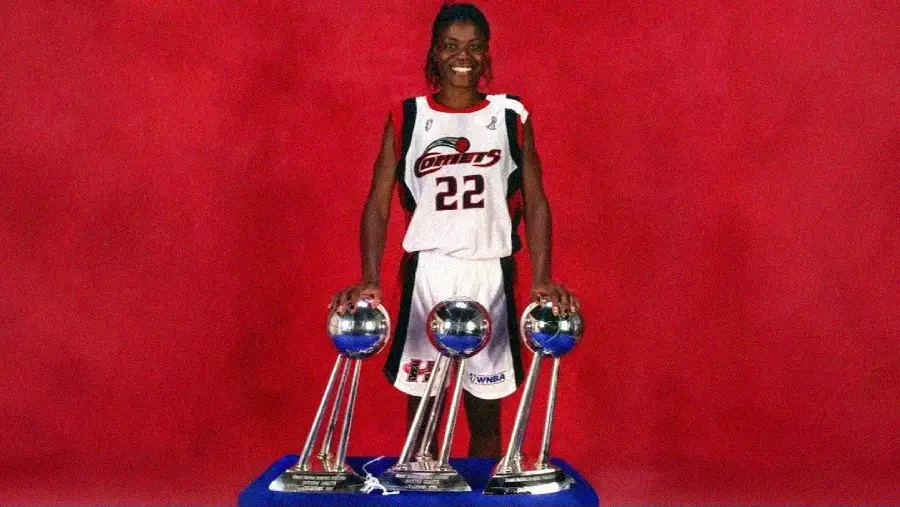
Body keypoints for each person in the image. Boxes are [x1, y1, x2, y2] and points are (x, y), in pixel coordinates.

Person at [330, 2, 579, 458]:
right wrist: (371, 278)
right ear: (434, 53)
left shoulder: (509, 116)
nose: (462, 57)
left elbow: (537, 201)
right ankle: (423, 488)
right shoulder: (409, 117)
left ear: (486, 56)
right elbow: (377, 203)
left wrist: (542, 277)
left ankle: (481, 495)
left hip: (490, 271)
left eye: (474, 47)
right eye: (450, 46)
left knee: (484, 413)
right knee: (424, 410)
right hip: (429, 271)